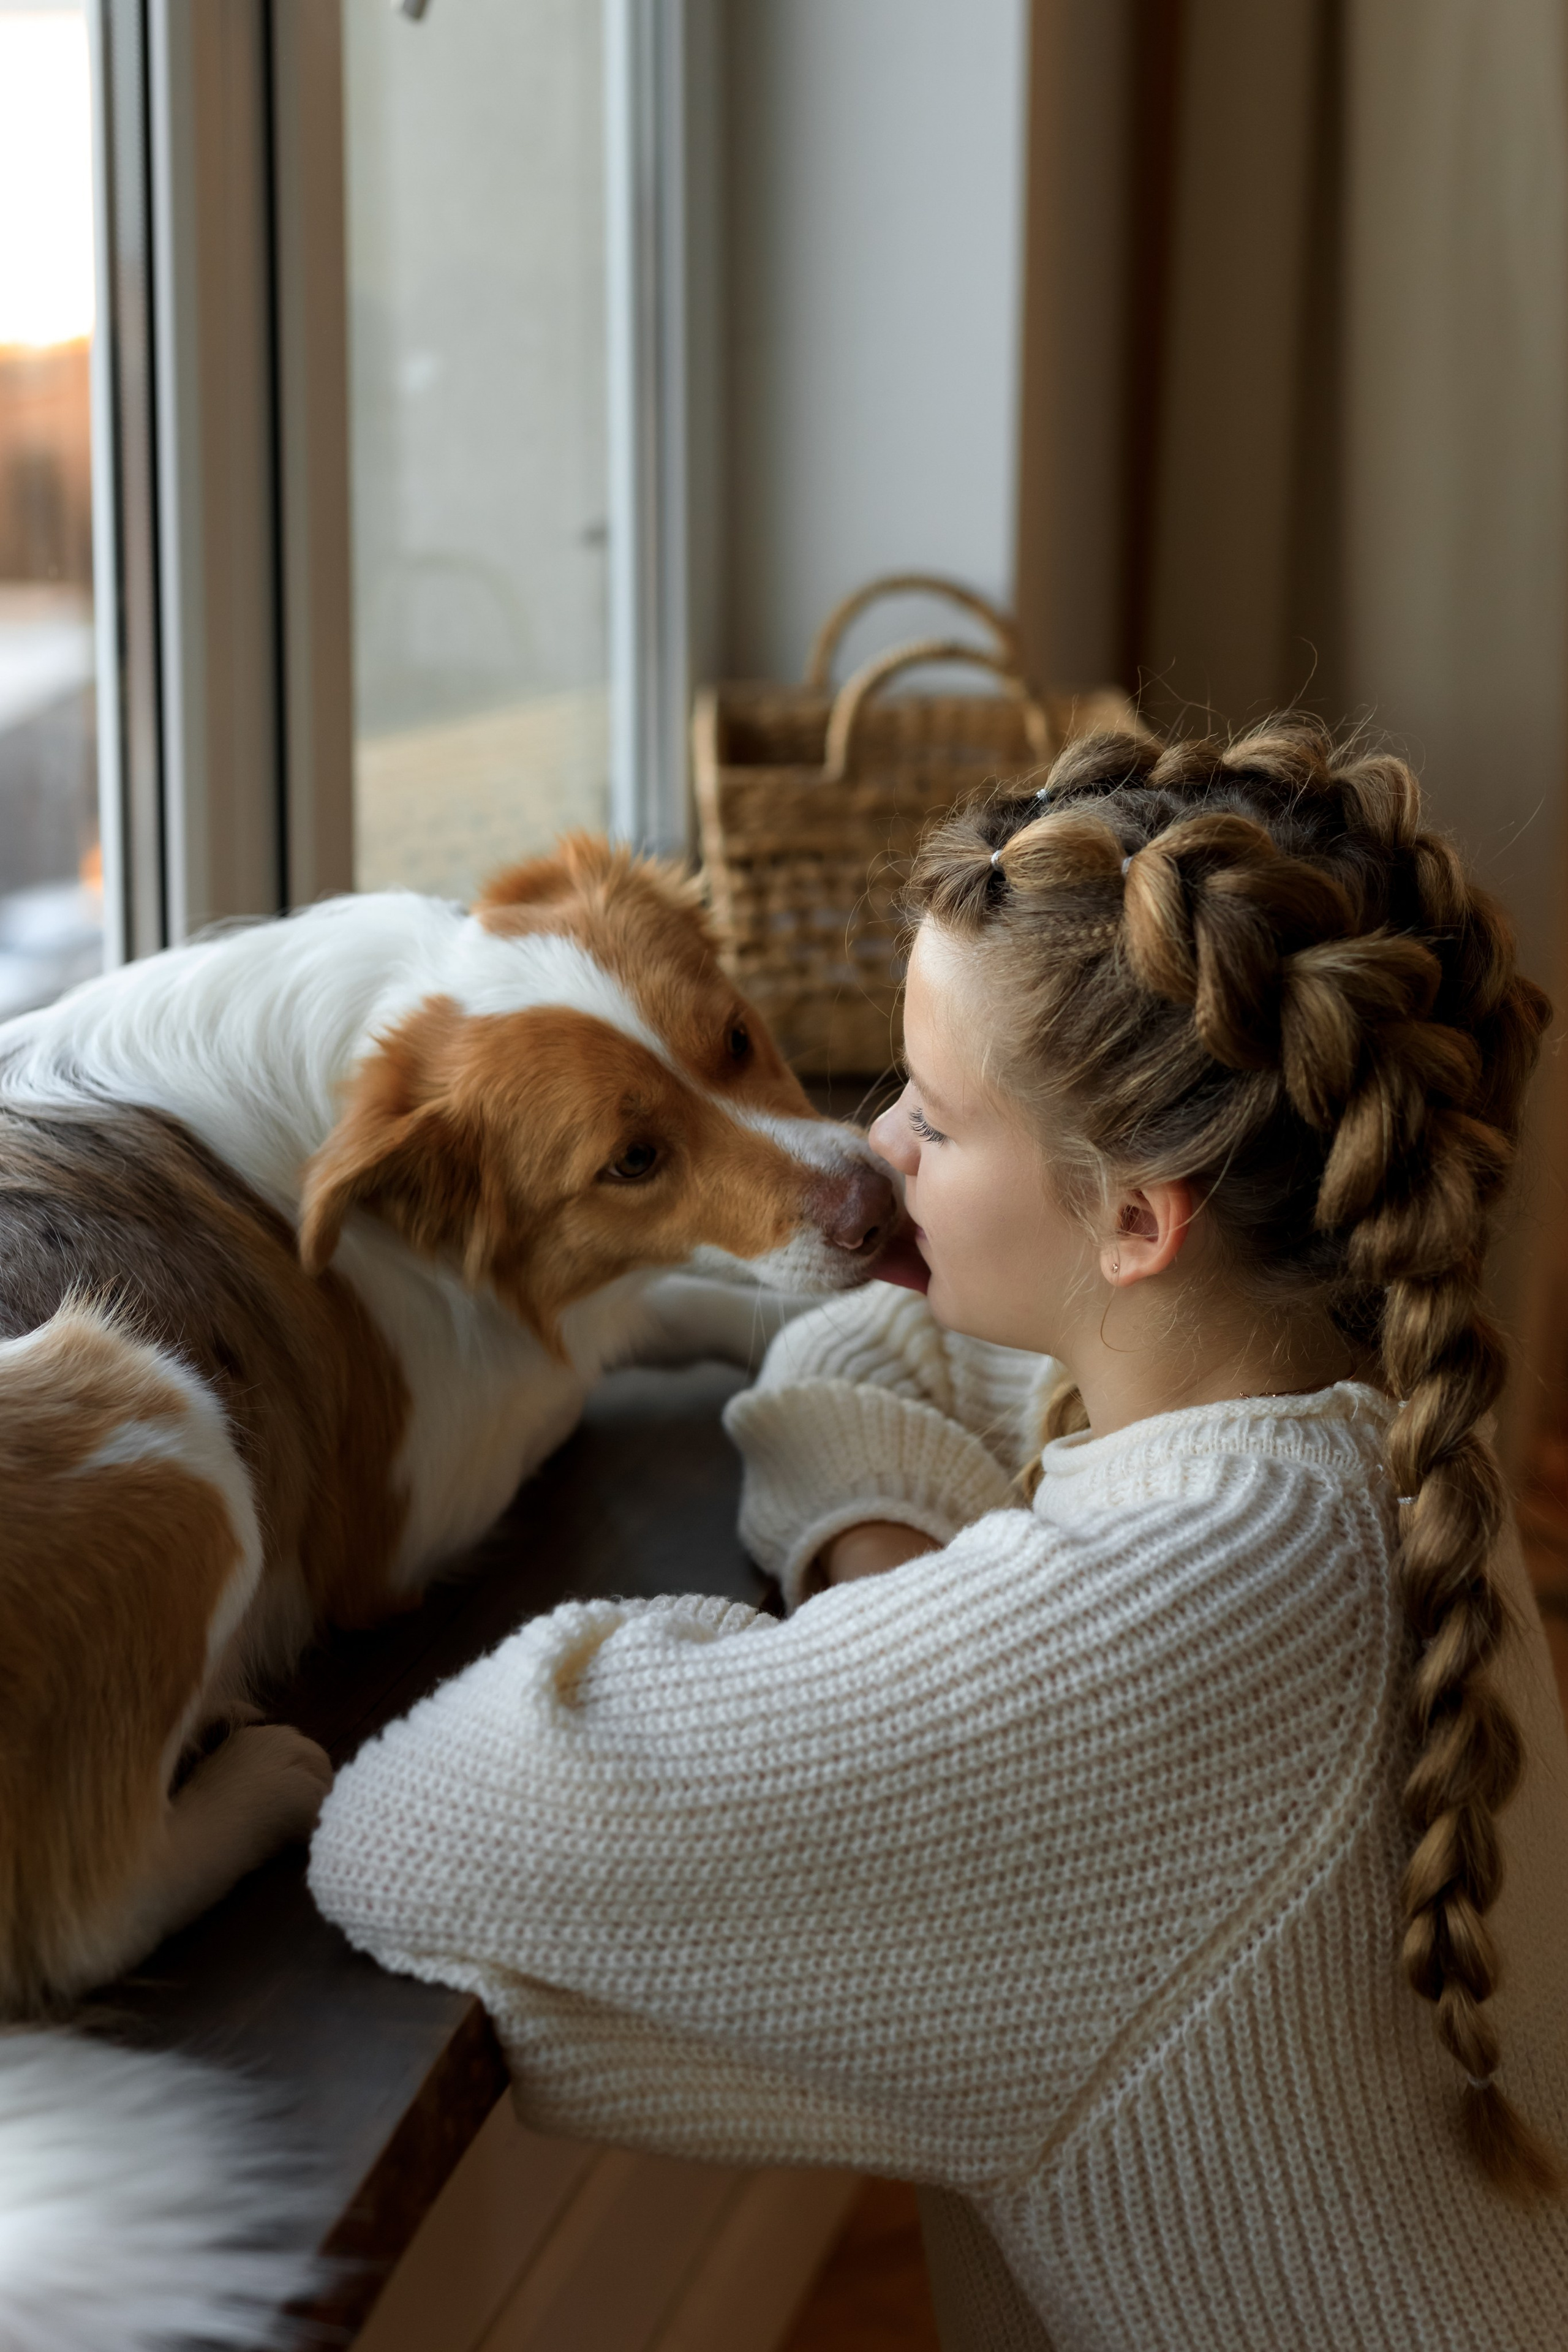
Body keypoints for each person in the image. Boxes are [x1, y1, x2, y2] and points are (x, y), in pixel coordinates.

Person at [309, 718, 1568, 2350]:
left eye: (936, 1119)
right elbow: (892, 1341)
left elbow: (410, 1830)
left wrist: (891, 1665)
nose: (870, 1148)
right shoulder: (1348, 1396)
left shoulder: (1158, 1659)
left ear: (1136, 1219)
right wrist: (884, 1583)